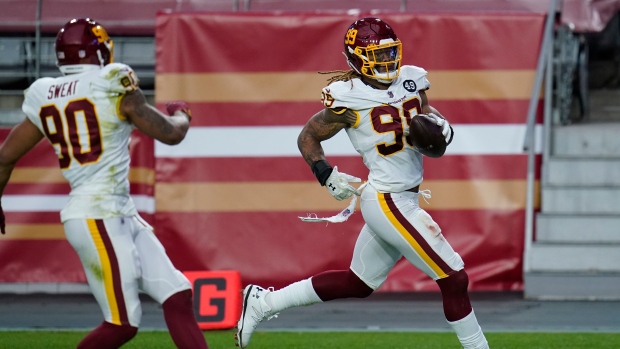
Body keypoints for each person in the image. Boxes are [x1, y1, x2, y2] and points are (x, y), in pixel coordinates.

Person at [236, 17, 490, 349]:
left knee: (357, 283)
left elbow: (426, 114)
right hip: (387, 200)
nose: (386, 62)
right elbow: (308, 136)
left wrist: (443, 127)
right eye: (378, 55)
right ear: (356, 59)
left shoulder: (412, 79)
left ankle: (262, 303)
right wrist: (326, 175)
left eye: (389, 53)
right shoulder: (348, 96)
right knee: (454, 278)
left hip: (402, 198)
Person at [0, 18, 208, 349]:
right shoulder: (112, 81)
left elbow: (5, 157)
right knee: (122, 324)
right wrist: (182, 113)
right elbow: (171, 134)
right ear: (97, 51)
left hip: (115, 210)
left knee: (177, 294)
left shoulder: (45, 93)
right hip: (98, 214)